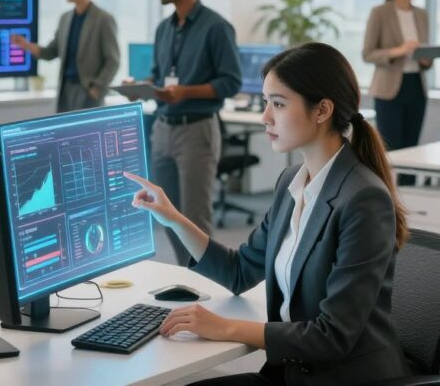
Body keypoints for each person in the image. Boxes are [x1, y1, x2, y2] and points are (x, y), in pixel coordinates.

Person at [125, 42, 410, 385]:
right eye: (265, 103)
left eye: (278, 103)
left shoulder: (363, 199)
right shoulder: (292, 182)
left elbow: (333, 336)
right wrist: (173, 217)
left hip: (340, 378)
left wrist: (225, 328)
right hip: (292, 371)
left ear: (322, 111)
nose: (265, 117)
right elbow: (240, 270)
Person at [148, 0, 241, 264]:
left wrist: (185, 92)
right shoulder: (164, 29)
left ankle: (206, 286)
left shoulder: (216, 27)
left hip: (197, 130)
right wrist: (145, 87)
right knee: (166, 215)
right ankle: (185, 274)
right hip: (162, 128)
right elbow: (159, 75)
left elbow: (231, 82)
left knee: (195, 217)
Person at [11, 0, 120, 113]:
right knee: (65, 134)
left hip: (88, 90)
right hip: (65, 90)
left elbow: (113, 60)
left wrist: (98, 88)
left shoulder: (103, 19)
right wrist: (25, 45)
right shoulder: (65, 18)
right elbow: (51, 52)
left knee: (87, 133)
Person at [362, 0, 431, 163]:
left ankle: (407, 193)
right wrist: (398, 51)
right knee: (390, 150)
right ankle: (388, 193)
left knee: (412, 148)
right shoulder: (380, 13)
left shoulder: (421, 14)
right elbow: (367, 53)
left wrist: (426, 57)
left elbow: (423, 54)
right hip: (389, 89)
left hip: (416, 85)